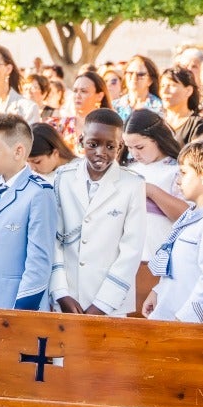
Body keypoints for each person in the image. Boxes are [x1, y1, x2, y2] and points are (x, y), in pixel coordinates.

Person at [49, 108, 147, 316]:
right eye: (93, 144)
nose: (101, 152)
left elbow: (131, 250)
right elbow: (54, 238)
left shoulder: (132, 185)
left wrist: (103, 303)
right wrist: (60, 292)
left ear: (120, 147)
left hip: (109, 304)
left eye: (110, 146)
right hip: (68, 299)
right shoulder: (63, 178)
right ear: (81, 140)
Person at [0, 113, 58, 310]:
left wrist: (20, 313)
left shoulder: (39, 193)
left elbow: (38, 264)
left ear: (18, 152)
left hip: (16, 306)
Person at [142, 139, 203, 323]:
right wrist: (158, 292)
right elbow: (177, 266)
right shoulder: (190, 217)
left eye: (184, 173)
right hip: (168, 315)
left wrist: (184, 318)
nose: (178, 181)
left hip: (188, 325)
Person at [124, 110, 189, 262]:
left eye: (140, 147)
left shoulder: (178, 170)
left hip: (162, 253)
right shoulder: (129, 169)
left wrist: (152, 191)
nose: (134, 153)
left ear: (157, 139)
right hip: (131, 255)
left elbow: (186, 215)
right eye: (129, 147)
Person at [158, 66, 203, 145]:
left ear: (188, 91)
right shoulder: (156, 122)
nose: (164, 91)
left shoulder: (197, 125)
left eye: (171, 86)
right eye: (162, 86)